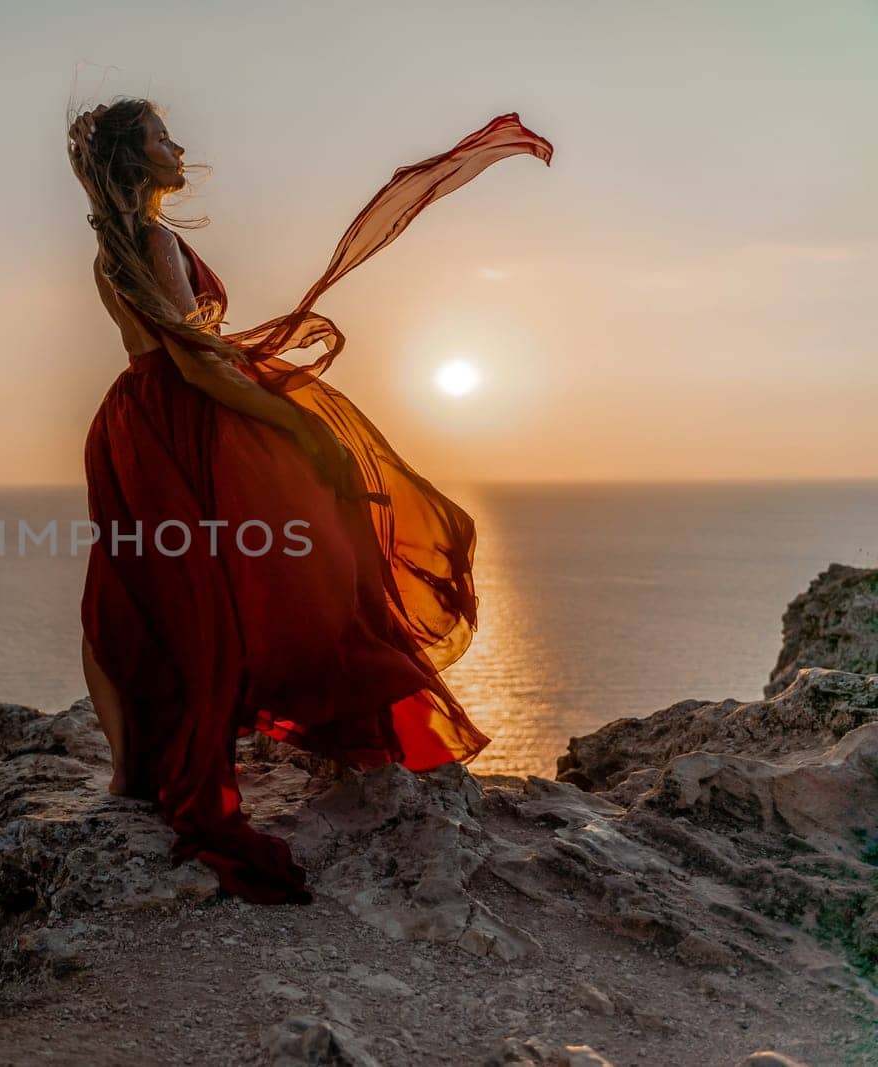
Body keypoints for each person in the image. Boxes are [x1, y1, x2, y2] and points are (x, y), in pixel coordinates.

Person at [67, 99, 552, 904]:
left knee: (129, 586)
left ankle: (127, 772)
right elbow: (196, 367)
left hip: (129, 422)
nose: (178, 144)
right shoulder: (152, 241)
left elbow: (175, 351)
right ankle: (338, 712)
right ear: (134, 158)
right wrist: (301, 425)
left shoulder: (112, 247)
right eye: (161, 136)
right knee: (314, 547)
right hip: (182, 420)